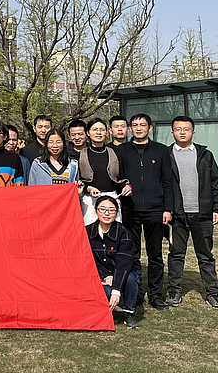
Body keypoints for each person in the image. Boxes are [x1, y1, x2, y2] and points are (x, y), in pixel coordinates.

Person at [114, 113, 174, 311]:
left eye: (142, 124)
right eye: (135, 125)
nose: (138, 128)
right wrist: (122, 189)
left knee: (155, 255)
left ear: (150, 128)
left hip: (155, 209)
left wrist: (168, 208)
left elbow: (168, 181)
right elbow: (116, 178)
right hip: (129, 208)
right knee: (132, 254)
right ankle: (136, 293)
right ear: (130, 129)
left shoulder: (161, 150)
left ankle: (155, 295)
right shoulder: (121, 151)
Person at [166, 116, 218, 310]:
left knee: (205, 255)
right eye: (178, 129)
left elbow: (216, 183)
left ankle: (213, 293)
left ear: (193, 132)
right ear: (172, 132)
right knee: (176, 254)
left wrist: (217, 208)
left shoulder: (205, 155)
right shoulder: (166, 155)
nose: (182, 132)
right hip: (177, 215)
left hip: (202, 214)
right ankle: (174, 291)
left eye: (186, 129)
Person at [86, 196, 140, 330]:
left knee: (131, 279)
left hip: (123, 271)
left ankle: (129, 312)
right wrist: (105, 275)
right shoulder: (87, 231)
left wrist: (116, 289)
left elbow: (124, 262)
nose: (107, 213)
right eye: (102, 209)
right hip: (100, 274)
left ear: (116, 213)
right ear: (96, 211)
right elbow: (89, 259)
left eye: (111, 210)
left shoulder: (123, 232)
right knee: (106, 292)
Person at [78, 118, 132, 225]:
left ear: (107, 133)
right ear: (88, 133)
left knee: (114, 231)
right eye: (95, 129)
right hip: (90, 201)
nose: (98, 132)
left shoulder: (114, 153)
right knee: (90, 231)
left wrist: (126, 187)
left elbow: (121, 177)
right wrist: (88, 188)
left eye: (102, 130)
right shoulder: (81, 154)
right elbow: (78, 180)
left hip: (111, 198)